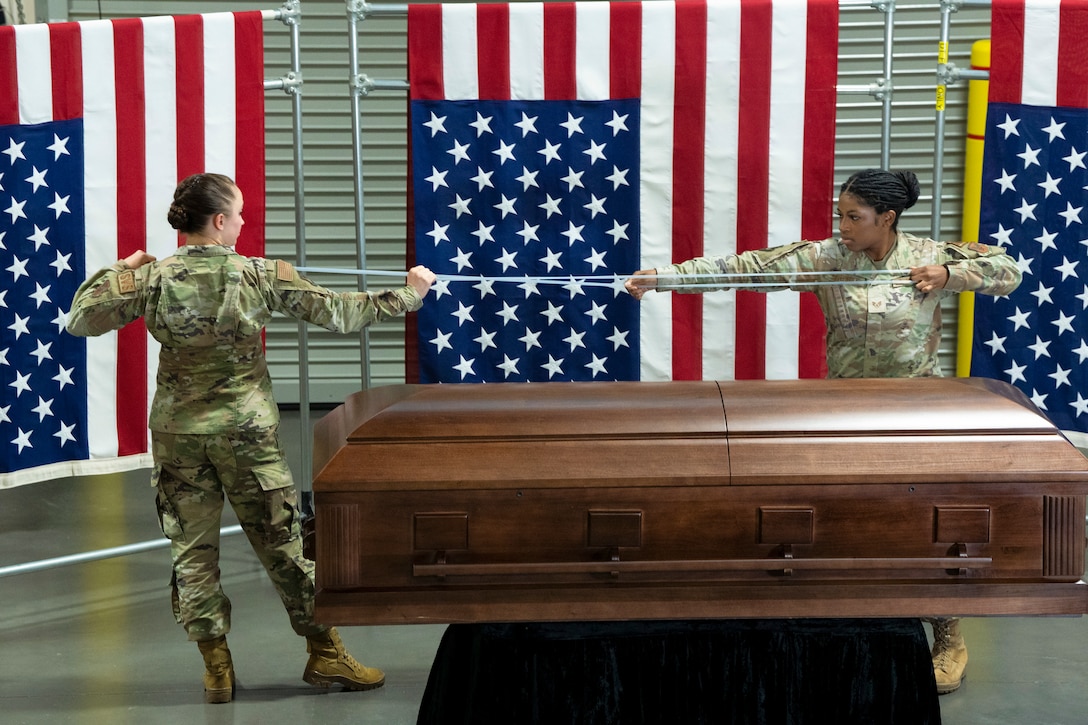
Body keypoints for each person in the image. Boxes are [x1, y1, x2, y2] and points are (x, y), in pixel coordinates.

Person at [625, 168, 1023, 695]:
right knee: (844, 516)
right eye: (839, 214)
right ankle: (846, 618)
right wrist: (665, 278)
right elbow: (748, 268)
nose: (842, 225)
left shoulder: (930, 254)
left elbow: (1007, 268)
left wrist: (951, 278)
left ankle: (946, 628)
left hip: (912, 412)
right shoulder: (828, 257)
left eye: (853, 216)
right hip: (843, 411)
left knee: (923, 520)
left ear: (888, 218)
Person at [66, 172, 437, 704]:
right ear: (218, 222)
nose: (244, 222)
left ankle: (216, 670)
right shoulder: (258, 275)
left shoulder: (153, 279)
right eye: (238, 214)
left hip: (178, 437)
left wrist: (123, 268)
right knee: (283, 547)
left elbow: (82, 319)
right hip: (248, 438)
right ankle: (325, 653)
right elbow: (340, 312)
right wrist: (410, 292)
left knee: (191, 554)